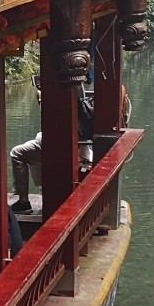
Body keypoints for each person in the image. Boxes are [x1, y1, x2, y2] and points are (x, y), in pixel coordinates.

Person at [9, 75, 93, 212]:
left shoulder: (60, 84)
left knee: (17, 153)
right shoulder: (77, 82)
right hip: (77, 140)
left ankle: (23, 201)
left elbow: (52, 120)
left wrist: (42, 98)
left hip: (61, 144)